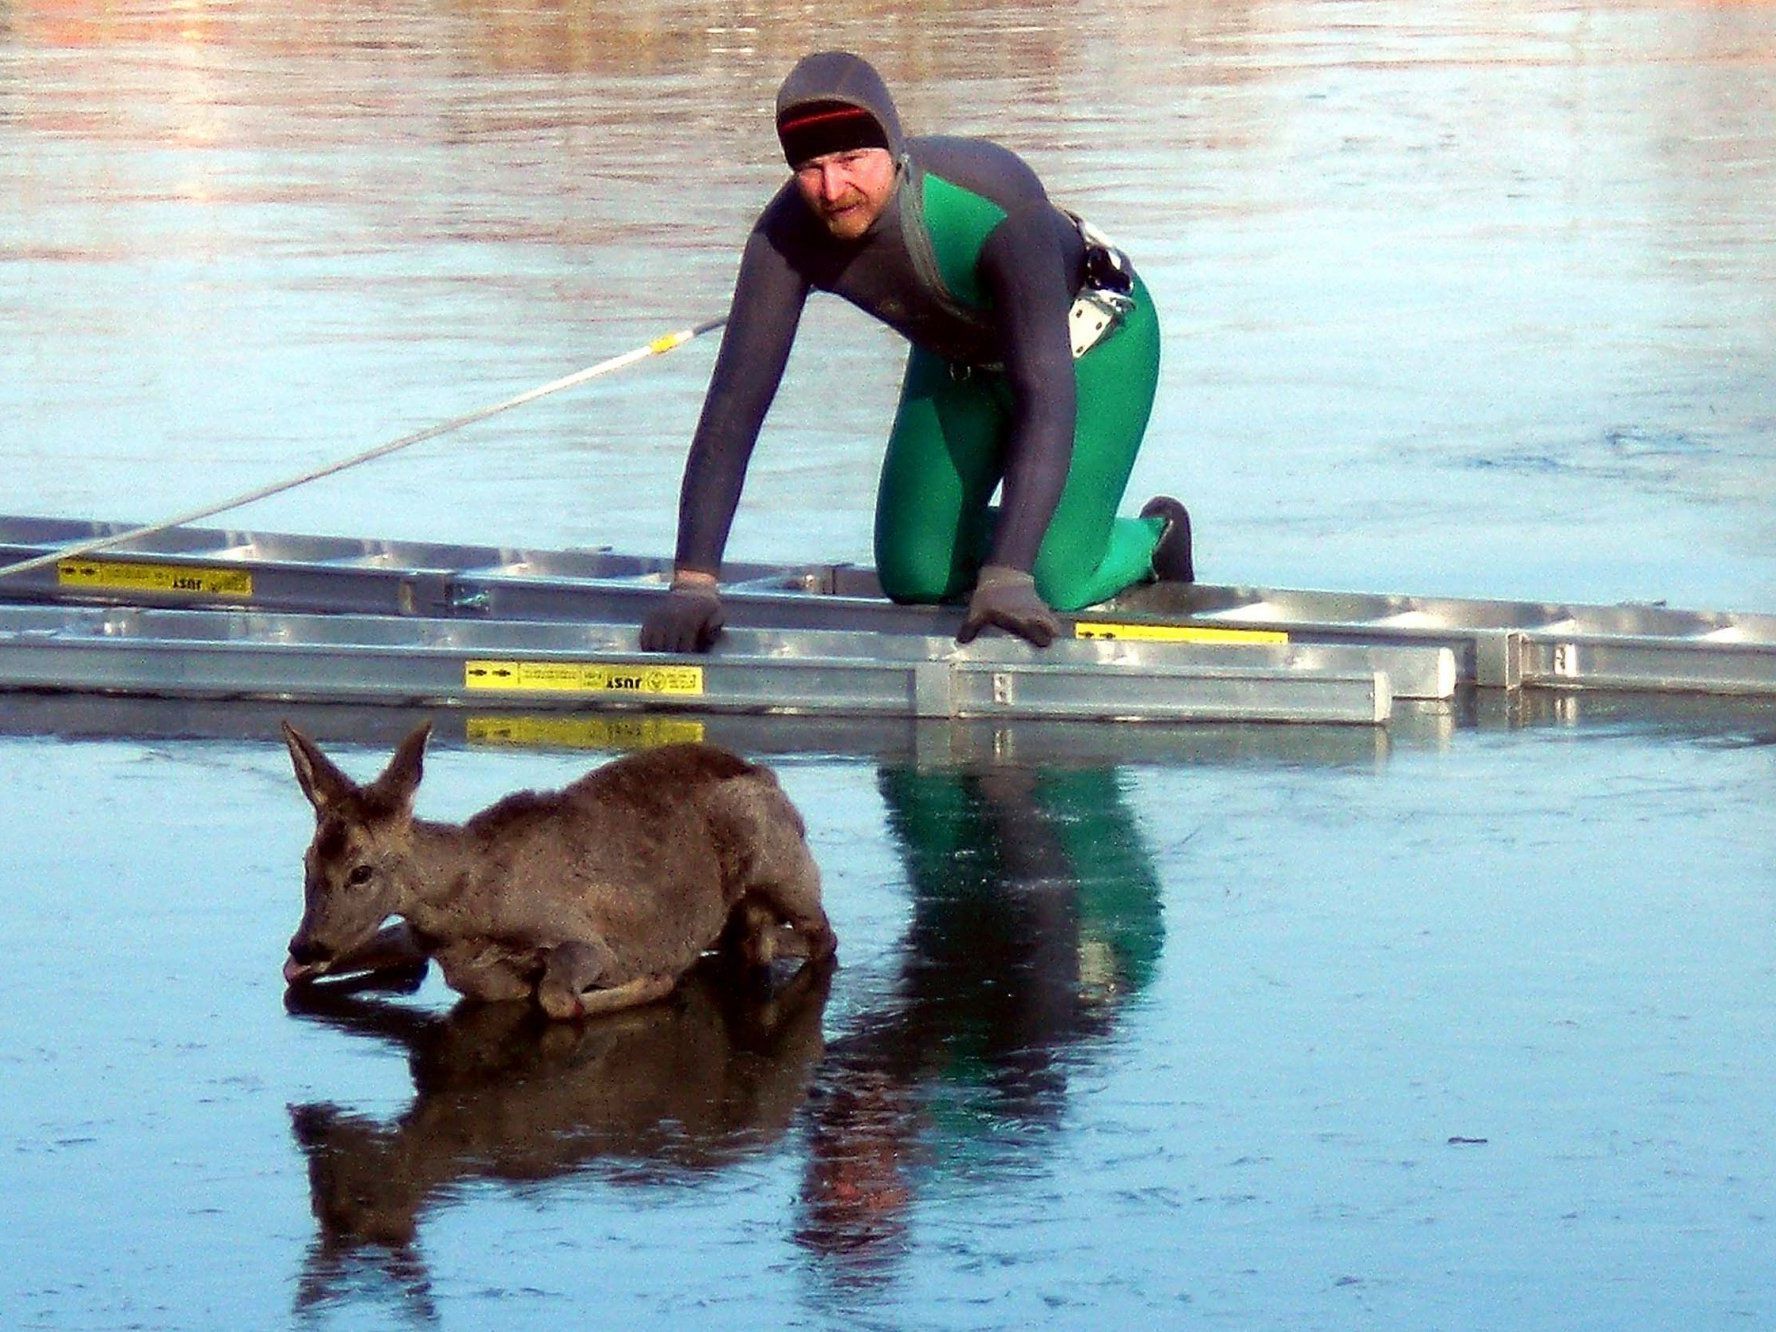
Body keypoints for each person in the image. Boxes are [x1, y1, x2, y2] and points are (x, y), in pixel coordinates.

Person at [639, 50, 1192, 654]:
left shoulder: (991, 200)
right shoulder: (785, 236)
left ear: (895, 151)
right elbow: (734, 407)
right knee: (915, 573)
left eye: (851, 160)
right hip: (960, 364)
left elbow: (1047, 397)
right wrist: (693, 581)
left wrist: (1008, 574)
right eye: (811, 167)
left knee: (1054, 577)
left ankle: (1153, 538)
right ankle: (1030, 537)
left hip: (1093, 350)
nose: (832, 189)